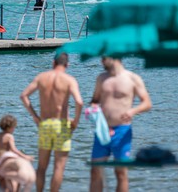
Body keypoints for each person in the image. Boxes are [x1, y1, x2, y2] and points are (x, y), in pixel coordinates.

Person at [20, 52, 83, 192]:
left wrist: (35, 117)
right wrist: (75, 122)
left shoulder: (42, 77)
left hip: (45, 124)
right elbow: (79, 102)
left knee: (42, 167)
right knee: (59, 167)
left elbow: (24, 96)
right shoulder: (69, 80)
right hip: (62, 125)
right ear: (67, 65)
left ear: (53, 63)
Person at [89, 56, 152, 192]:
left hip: (122, 131)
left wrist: (132, 111)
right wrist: (93, 110)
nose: (101, 61)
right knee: (95, 171)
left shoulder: (132, 78)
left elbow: (147, 103)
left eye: (104, 58)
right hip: (102, 130)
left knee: (121, 172)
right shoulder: (101, 78)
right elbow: (94, 100)